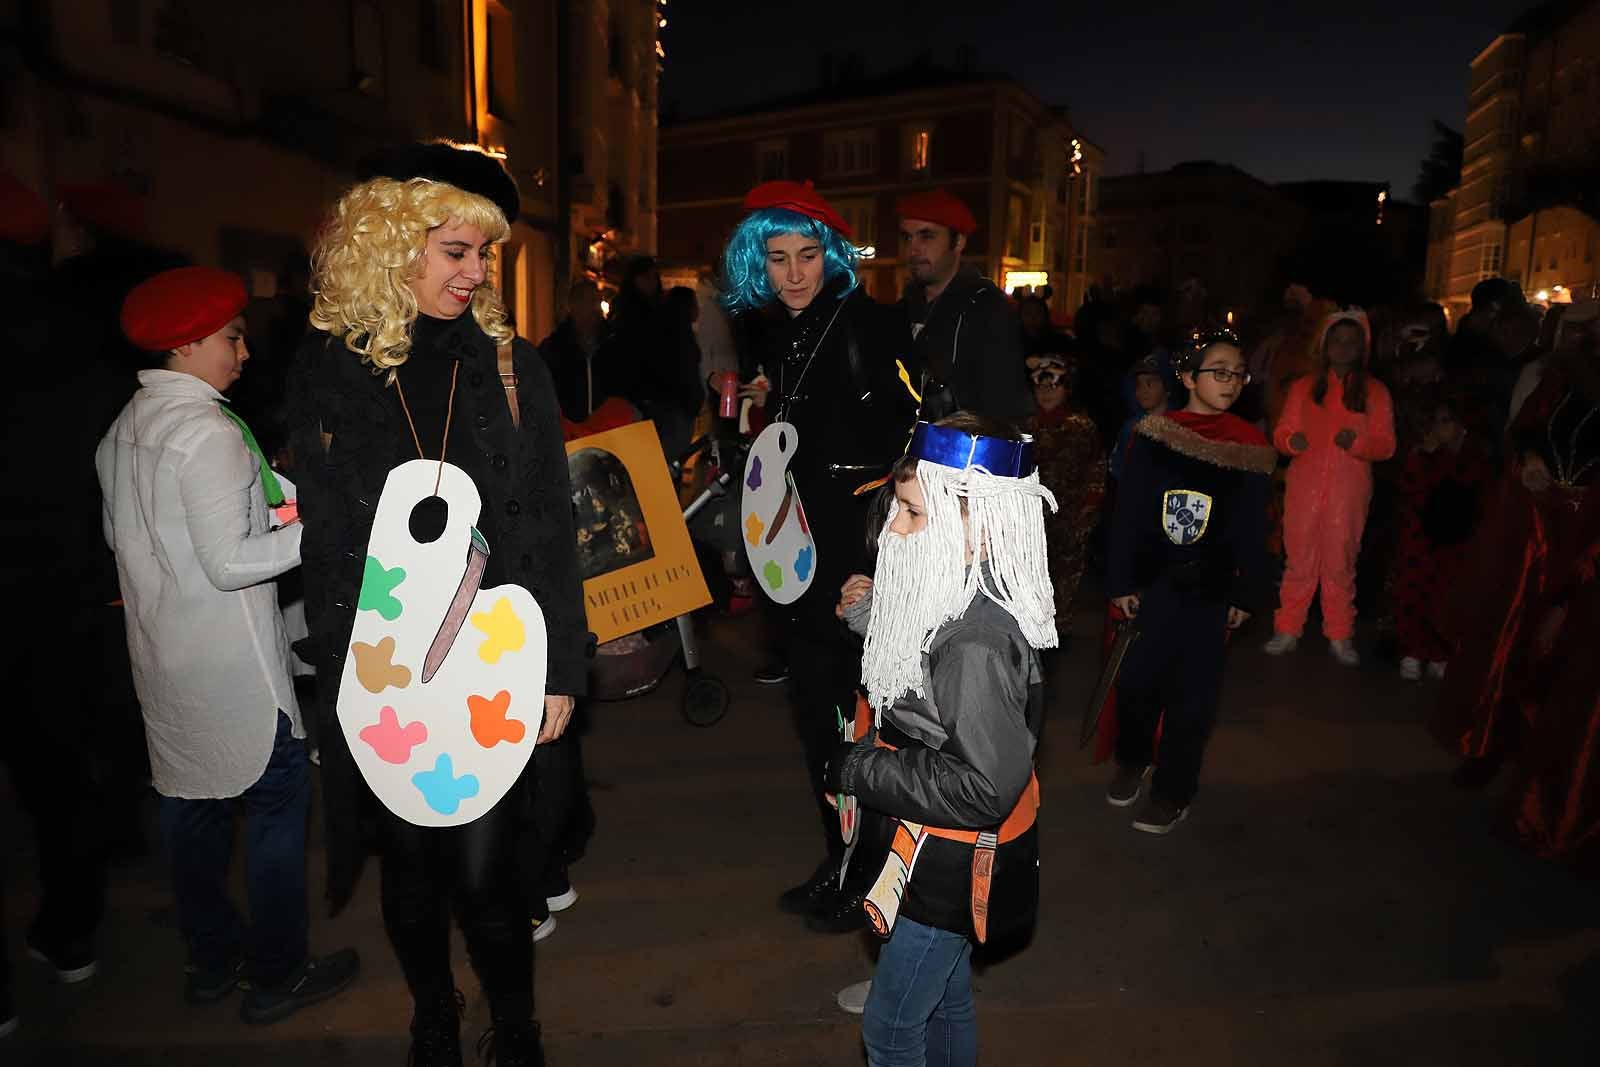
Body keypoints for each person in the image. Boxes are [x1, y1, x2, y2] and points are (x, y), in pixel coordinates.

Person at [287, 141, 587, 1066]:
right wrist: (345, 677)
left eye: (485, 254)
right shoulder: (331, 369)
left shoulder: (510, 367)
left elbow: (546, 521)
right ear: (393, 246)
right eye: (457, 251)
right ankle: (434, 1014)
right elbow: (323, 534)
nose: (477, 272)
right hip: (380, 664)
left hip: (490, 656)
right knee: (409, 871)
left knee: (489, 868)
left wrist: (562, 666)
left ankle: (517, 1022)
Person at [95, 266, 360, 1022]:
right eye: (231, 337)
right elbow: (229, 561)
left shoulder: (124, 430)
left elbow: (125, 540)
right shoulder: (207, 433)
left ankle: (211, 960)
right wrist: (324, 531)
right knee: (279, 803)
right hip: (232, 668)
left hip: (166, 662)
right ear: (186, 342)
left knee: (192, 809)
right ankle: (277, 972)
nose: (243, 353)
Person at [719, 179, 919, 933]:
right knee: (817, 715)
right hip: (793, 543)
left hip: (850, 548)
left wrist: (892, 553)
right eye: (777, 258)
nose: (795, 272)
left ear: (833, 254)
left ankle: (867, 872)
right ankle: (845, 859)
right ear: (757, 262)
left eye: (809, 255)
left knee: (851, 716)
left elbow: (912, 440)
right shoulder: (783, 330)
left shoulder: (869, 321)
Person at [828, 413, 1055, 1064]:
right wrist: (871, 613)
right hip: (935, 840)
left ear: (980, 528)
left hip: (951, 857)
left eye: (911, 513)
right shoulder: (960, 595)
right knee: (946, 998)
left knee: (891, 1030)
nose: (893, 530)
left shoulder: (976, 642)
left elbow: (982, 787)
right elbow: (920, 667)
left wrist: (858, 767)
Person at [1103, 331, 1275, 832]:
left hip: (1210, 589)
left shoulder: (1249, 445)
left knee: (1193, 698)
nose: (1231, 381)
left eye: (1238, 372)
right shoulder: (1155, 434)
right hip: (1154, 585)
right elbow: (1130, 512)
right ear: (1187, 378)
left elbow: (1252, 527)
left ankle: (1175, 790)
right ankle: (1134, 758)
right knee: (1136, 684)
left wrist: (1248, 593)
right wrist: (1120, 579)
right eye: (1218, 370)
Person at [1433, 304, 1600, 792]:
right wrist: (1528, 459)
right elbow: (1525, 429)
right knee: (1513, 630)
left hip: (1591, 531)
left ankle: (1551, 770)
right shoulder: (1561, 375)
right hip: (1541, 523)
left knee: (1571, 644)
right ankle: (1491, 743)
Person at [1264, 311, 1396, 666]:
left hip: (1349, 491)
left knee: (1340, 561)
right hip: (1304, 486)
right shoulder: (1304, 387)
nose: (1343, 347)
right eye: (1337, 340)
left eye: (1351, 341)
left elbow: (1386, 444)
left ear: (1361, 348)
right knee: (1299, 558)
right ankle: (1288, 627)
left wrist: (1357, 443)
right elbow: (1281, 433)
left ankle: (1340, 633)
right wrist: (1293, 441)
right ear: (1325, 345)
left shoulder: (1375, 392)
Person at [897, 188, 1032, 422]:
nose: (913, 248)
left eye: (926, 236)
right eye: (907, 237)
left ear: (958, 241)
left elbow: (1004, 410)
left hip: (961, 453)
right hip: (905, 452)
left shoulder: (987, 308)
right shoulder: (904, 306)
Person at [1389, 392, 1494, 680]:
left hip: (1456, 539)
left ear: (1462, 425)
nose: (1439, 428)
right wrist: (1424, 454)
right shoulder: (1423, 455)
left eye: (1446, 421)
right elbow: (1410, 490)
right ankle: (1412, 650)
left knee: (1447, 594)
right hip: (1421, 536)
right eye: (1435, 422)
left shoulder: (1475, 459)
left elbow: (1477, 498)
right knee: (1414, 589)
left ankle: (1440, 651)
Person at [1027, 353, 1105, 628]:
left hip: (1070, 520)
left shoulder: (1081, 427)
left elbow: (1095, 471)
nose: (1046, 392)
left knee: (1062, 585)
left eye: (1054, 386)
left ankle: (1057, 629)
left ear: (1067, 388)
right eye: (1040, 386)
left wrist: (1087, 514)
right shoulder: (1026, 426)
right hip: (1031, 521)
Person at [1110, 354, 1175, 482]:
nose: (1142, 391)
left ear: (1167, 387)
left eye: (1150, 384)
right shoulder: (1131, 427)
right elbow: (1118, 468)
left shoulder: (1179, 426)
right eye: (1138, 385)